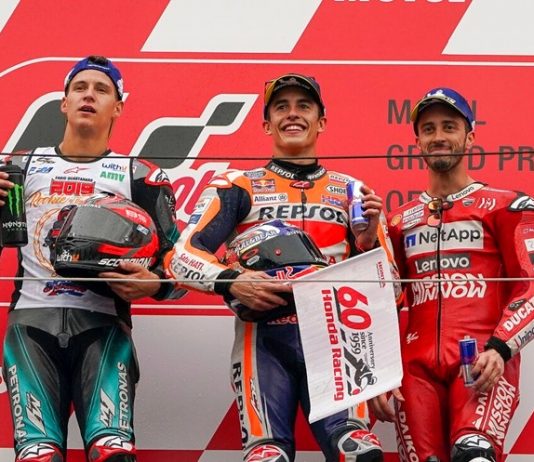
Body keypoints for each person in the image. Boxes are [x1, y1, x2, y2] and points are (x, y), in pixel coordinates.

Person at [164, 73, 389, 462]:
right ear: (267, 124)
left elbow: (391, 289)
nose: (293, 114)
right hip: (261, 340)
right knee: (267, 456)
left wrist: (367, 243)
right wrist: (233, 281)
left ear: (321, 121)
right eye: (281, 107)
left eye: (304, 106)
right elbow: (180, 256)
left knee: (358, 452)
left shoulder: (353, 191)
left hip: (338, 343)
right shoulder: (238, 185)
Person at [0, 56, 180, 462]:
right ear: (63, 103)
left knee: (113, 452)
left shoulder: (140, 175)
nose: (89, 95)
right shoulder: (18, 167)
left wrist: (154, 284)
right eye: (80, 87)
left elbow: (180, 262)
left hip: (104, 326)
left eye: (101, 89)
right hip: (30, 325)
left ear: (118, 107)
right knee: (38, 456)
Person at [368, 87, 534, 462]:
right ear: (418, 143)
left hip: (482, 360)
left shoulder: (507, 206)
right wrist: (377, 374)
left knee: (473, 454)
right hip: (414, 370)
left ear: (469, 136)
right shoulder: (399, 220)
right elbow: (379, 304)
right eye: (428, 129)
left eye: (449, 126)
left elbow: (531, 287)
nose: (439, 136)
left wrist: (501, 347)